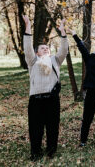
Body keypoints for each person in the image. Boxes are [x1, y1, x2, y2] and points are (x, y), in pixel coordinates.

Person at [23, 15, 69, 160]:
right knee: (35, 129)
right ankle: (35, 152)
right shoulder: (33, 61)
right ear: (37, 52)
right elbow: (27, 48)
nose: (45, 49)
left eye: (47, 48)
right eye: (42, 48)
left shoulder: (55, 60)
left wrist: (63, 33)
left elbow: (64, 50)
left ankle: (51, 151)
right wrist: (28, 26)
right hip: (36, 100)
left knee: (52, 128)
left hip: (52, 100)